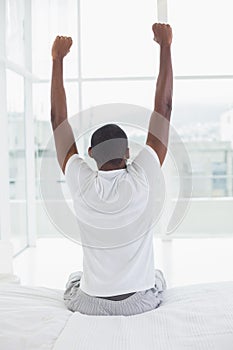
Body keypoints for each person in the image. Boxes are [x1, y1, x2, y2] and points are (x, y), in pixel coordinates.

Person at [50, 23, 173, 316]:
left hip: (92, 303)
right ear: (128, 153)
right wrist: (165, 47)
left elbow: (58, 121)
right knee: (157, 277)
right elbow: (164, 108)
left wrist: (57, 60)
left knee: (73, 281)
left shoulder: (79, 179)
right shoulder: (142, 176)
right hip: (138, 303)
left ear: (90, 155)